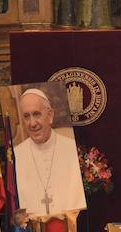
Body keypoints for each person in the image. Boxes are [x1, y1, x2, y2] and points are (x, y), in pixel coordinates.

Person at [12, 87, 87, 218]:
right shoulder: (17, 154)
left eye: (36, 114)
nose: (32, 123)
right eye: (26, 116)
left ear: (50, 115)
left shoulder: (70, 147)